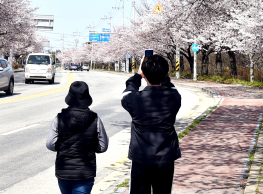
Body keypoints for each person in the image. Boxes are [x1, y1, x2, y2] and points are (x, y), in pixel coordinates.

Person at [121, 54, 182, 194]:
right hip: (165, 157)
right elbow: (169, 85)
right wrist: (160, 73)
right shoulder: (174, 96)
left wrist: (138, 75)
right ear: (166, 74)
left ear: (144, 74)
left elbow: (129, 87)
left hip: (141, 157)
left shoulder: (133, 99)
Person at [46, 81, 109, 194]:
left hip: (64, 172)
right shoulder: (95, 119)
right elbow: (103, 146)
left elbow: (50, 144)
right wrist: (91, 147)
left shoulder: (59, 118)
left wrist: (62, 147)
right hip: (85, 172)